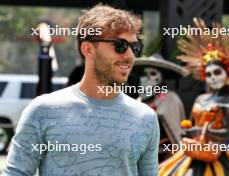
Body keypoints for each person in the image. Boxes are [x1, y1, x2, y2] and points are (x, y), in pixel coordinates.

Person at [3, 4, 160, 176]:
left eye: (135, 47)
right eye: (120, 45)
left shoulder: (146, 117)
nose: (130, 55)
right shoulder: (43, 110)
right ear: (88, 49)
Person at [159, 18, 229, 175]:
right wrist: (188, 131)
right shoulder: (200, 99)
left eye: (217, 72)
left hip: (216, 155)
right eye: (209, 74)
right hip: (191, 153)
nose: (213, 77)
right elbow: (188, 125)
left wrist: (207, 132)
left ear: (228, 75)